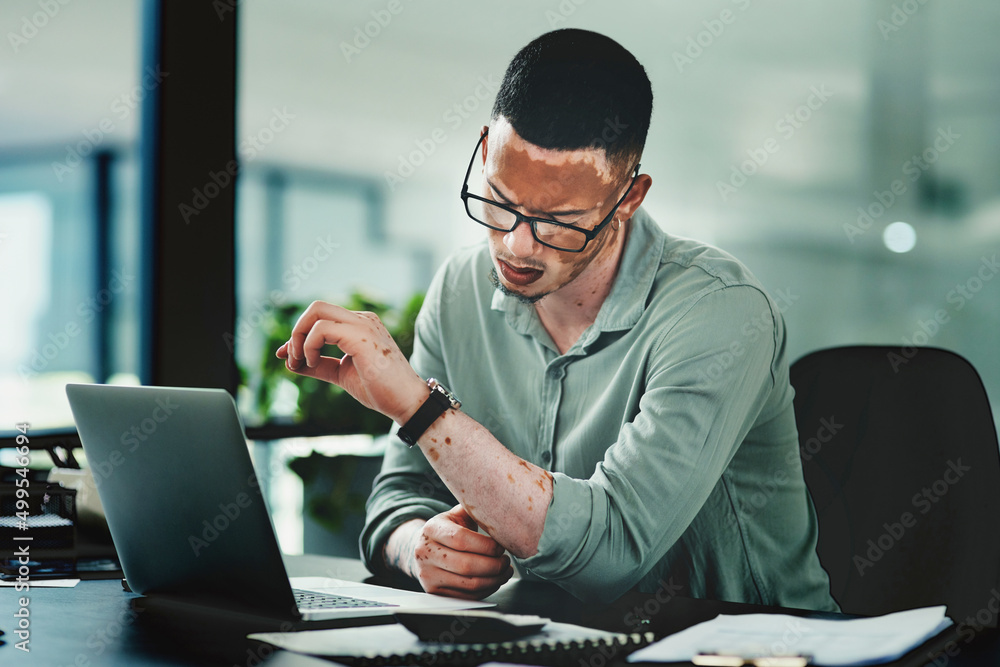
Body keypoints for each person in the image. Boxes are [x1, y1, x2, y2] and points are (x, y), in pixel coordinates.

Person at [277, 28, 837, 610]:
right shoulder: (460, 291)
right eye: (498, 201)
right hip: (545, 642)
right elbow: (398, 498)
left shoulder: (721, 311)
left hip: (741, 647)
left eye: (560, 221)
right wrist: (419, 545)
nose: (517, 246)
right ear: (484, 148)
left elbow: (610, 553)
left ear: (628, 198)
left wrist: (421, 409)